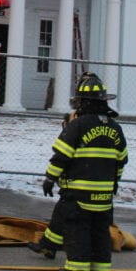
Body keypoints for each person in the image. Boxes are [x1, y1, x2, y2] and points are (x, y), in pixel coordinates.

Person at [40, 73, 128, 271]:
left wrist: (50, 179)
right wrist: (112, 183)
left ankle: (77, 269)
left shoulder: (77, 125)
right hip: (104, 195)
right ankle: (100, 270)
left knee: (77, 230)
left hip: (78, 194)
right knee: (100, 232)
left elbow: (61, 157)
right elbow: (121, 160)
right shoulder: (115, 127)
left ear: (83, 101)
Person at [28, 71, 96, 260]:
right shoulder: (86, 118)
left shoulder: (80, 120)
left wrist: (51, 178)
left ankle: (52, 247)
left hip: (79, 176)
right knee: (64, 212)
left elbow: (63, 150)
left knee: (66, 213)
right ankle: (49, 246)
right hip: (86, 175)